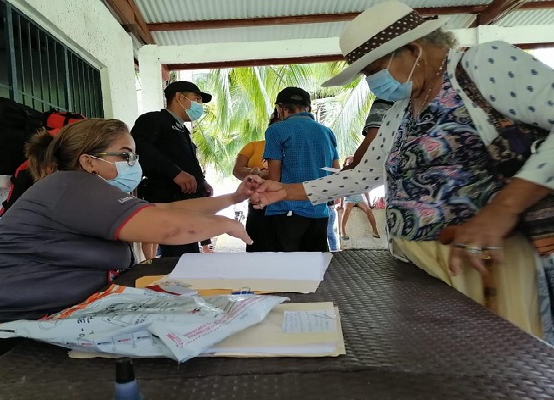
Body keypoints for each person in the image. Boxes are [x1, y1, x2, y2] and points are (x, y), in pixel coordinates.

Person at [251, 1, 554, 342]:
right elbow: (364, 174)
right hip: (418, 264)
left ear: (412, 50)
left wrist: (502, 211)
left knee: (491, 363)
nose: (373, 83)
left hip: (481, 264)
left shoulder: (484, 64)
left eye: (372, 70)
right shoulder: (402, 110)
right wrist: (286, 190)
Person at [0, 119, 254, 366]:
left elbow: (163, 211)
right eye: (125, 155)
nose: (134, 165)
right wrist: (224, 224)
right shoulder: (69, 186)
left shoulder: (90, 191)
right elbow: (166, 228)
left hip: (31, 325)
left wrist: (234, 197)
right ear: (89, 161)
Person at [131, 81, 215, 258]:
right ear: (179, 97)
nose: (199, 105)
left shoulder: (182, 129)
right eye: (196, 99)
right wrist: (174, 172)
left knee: (188, 254)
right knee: (176, 258)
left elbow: (186, 161)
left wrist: (202, 183)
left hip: (187, 203)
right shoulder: (153, 120)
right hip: (168, 200)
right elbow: (141, 149)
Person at [261, 87, 340, 252]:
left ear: (280, 108)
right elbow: (336, 172)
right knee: (315, 269)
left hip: (287, 211)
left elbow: (274, 178)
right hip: (320, 212)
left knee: (287, 271)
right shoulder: (327, 132)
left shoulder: (276, 130)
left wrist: (257, 175)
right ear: (308, 108)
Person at [232, 111, 277, 252]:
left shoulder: (293, 149)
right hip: (257, 205)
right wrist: (254, 173)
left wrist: (266, 175)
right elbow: (237, 170)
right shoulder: (253, 146)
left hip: (284, 206)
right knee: (256, 246)